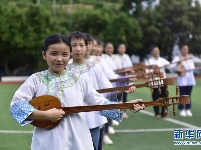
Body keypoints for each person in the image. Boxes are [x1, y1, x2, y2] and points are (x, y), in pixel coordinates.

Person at [10, 34, 145, 150]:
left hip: (78, 139)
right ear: (44, 55)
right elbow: (17, 105)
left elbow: (99, 102)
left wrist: (126, 105)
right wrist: (45, 114)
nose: (59, 59)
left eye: (64, 54)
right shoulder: (36, 79)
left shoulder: (78, 80)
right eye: (53, 53)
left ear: (69, 55)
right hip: (47, 140)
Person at [66, 31, 136, 150]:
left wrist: (123, 89)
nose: (78, 49)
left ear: (87, 47)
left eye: (81, 45)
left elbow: (109, 90)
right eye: (74, 45)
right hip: (71, 121)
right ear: (68, 47)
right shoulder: (64, 69)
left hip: (93, 119)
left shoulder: (94, 67)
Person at [144, 45, 170, 119]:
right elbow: (146, 72)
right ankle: (157, 113)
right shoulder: (149, 62)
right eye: (155, 51)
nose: (157, 52)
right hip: (154, 83)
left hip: (163, 82)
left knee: (165, 97)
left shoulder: (162, 60)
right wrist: (154, 70)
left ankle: (164, 113)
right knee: (155, 98)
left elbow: (171, 66)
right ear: (151, 52)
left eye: (158, 51)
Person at [171, 44, 196, 117]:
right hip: (182, 79)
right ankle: (182, 109)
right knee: (183, 94)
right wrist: (179, 62)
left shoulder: (190, 58)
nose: (185, 51)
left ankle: (188, 109)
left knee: (188, 94)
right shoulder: (178, 58)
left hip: (190, 79)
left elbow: (192, 67)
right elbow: (171, 66)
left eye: (186, 49)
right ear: (181, 50)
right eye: (184, 49)